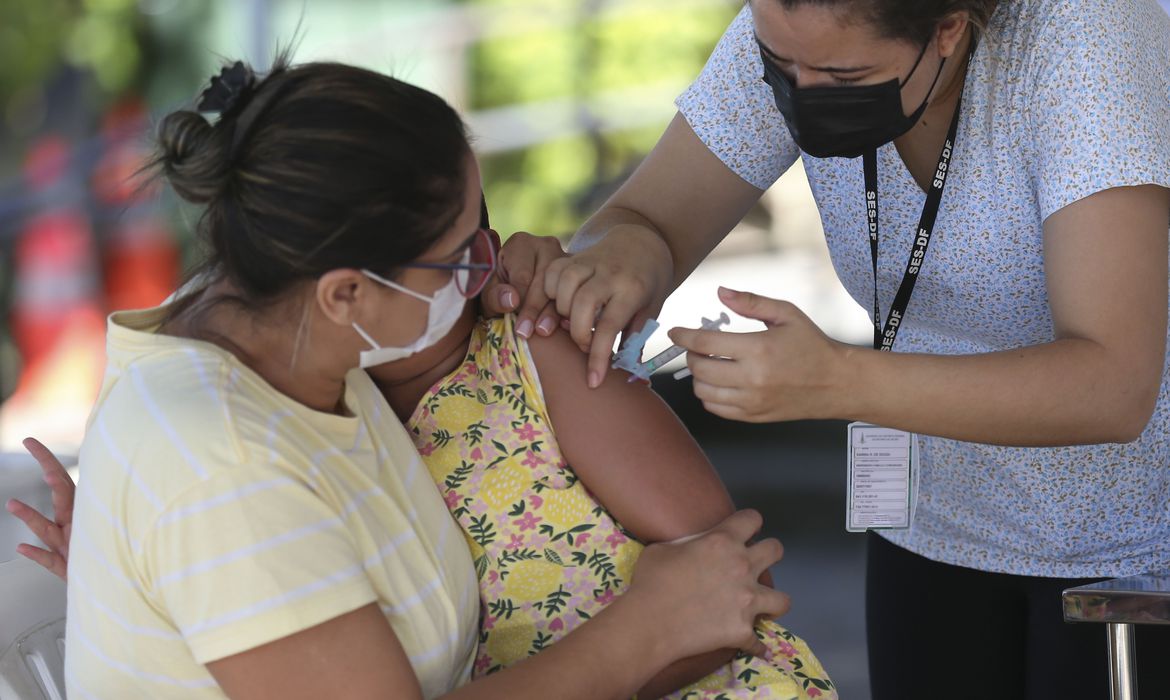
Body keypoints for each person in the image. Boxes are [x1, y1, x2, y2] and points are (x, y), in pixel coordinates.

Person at [3, 57, 790, 700]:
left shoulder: (283, 340)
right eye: (459, 257)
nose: (494, 265)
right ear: (345, 293)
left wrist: (161, 582)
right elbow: (220, 493)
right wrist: (647, 627)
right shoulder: (223, 462)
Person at [480, 0, 1170, 698]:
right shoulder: (795, 28)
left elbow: (1113, 385)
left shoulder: (1086, 38)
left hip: (1127, 549)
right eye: (780, 67)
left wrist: (837, 381)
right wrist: (619, 257)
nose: (801, 94)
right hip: (929, 521)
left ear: (948, 30)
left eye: (844, 76)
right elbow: (646, 218)